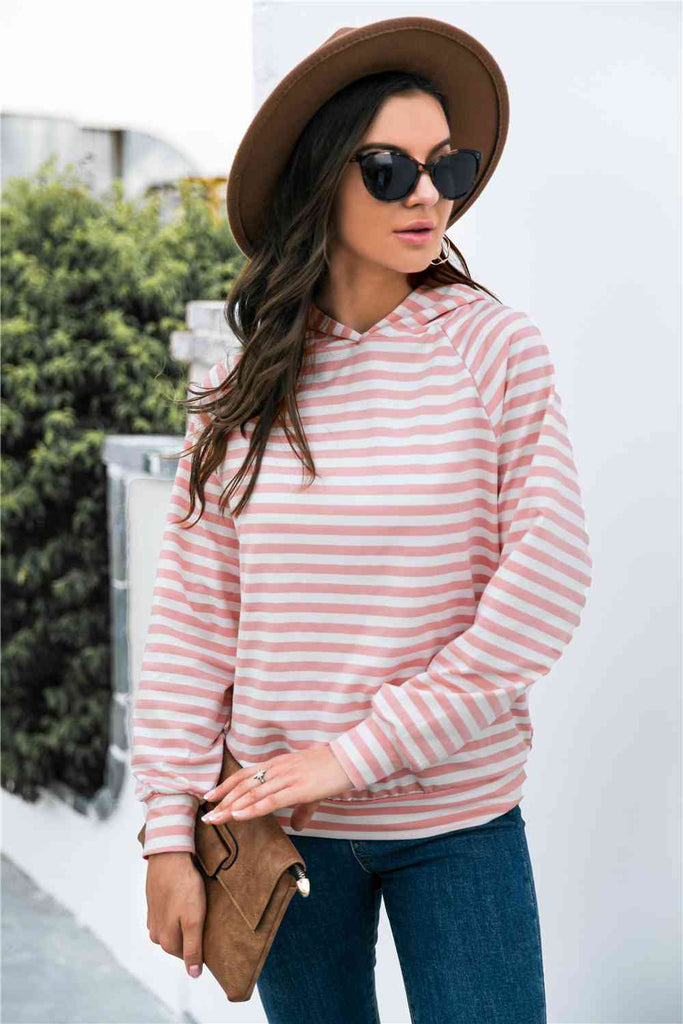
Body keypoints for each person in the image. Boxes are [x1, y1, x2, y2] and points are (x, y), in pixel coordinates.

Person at [131, 17, 592, 1024]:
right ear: (321, 178)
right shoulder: (239, 387)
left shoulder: (493, 351)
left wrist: (355, 753)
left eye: (446, 167)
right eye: (388, 169)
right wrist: (167, 830)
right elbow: (192, 624)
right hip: (278, 833)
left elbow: (546, 584)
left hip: (456, 819)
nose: (427, 195)